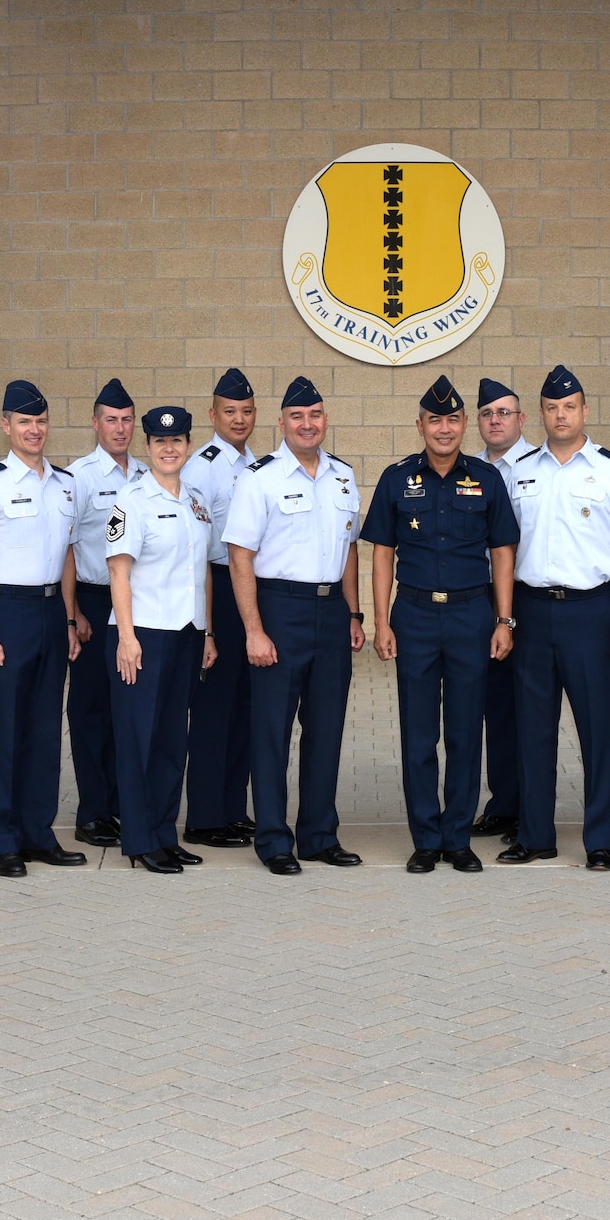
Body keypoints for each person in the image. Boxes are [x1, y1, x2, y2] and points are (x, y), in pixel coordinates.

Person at [497, 365, 610, 871]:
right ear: (538, 414)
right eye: (551, 408)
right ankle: (535, 835)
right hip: (533, 613)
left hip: (592, 613)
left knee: (598, 731)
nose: (560, 415)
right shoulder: (520, 472)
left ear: (585, 412)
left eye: (570, 407)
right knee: (532, 731)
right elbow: (504, 549)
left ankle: (600, 840)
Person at [363, 376, 519, 873]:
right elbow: (382, 553)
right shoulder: (396, 478)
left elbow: (503, 553)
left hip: (473, 615)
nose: (445, 429)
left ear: (465, 425)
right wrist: (381, 620)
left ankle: (458, 838)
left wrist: (503, 619)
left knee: (465, 731)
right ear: (421, 426)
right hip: (413, 615)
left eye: (453, 420)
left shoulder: (487, 480)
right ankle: (426, 838)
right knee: (418, 731)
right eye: (435, 420)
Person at [223, 375, 366, 875]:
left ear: (325, 420)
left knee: (326, 730)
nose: (308, 424)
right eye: (298, 417)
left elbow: (349, 551)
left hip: (330, 614)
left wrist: (353, 612)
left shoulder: (344, 477)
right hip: (279, 609)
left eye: (316, 415)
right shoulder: (258, 478)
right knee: (271, 731)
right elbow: (240, 556)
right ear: (282, 423)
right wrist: (254, 629)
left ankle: (319, 835)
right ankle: (273, 840)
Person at [0, 379, 88, 878]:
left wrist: (71, 620)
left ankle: (38, 832)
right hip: (6, 612)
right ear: (6, 426)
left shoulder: (65, 484)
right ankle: (4, 838)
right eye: (25, 422)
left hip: (52, 613)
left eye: (41, 421)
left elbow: (68, 556)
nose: (35, 430)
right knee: (7, 731)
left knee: (45, 729)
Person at [106, 406, 218, 874]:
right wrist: (127, 638)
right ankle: (138, 838)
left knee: (173, 740)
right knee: (139, 740)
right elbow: (118, 571)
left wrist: (208, 631)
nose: (169, 449)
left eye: (177, 442)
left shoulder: (195, 501)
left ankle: (164, 833)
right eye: (159, 442)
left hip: (187, 634)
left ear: (188, 446)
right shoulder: (132, 500)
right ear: (147, 447)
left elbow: (205, 572)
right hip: (145, 635)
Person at [179, 368, 259, 849]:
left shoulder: (254, 462)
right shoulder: (201, 467)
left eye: (247, 411)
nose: (239, 419)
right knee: (213, 709)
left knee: (243, 708)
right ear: (213, 415)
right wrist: (207, 624)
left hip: (246, 588)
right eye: (230, 412)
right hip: (216, 589)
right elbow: (196, 547)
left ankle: (233, 809)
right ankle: (205, 817)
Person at [66, 378, 144, 848]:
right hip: (94, 602)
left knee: (127, 709)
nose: (120, 428)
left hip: (135, 605)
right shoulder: (78, 477)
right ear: (95, 424)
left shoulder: (145, 474)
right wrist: (73, 613)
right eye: (111, 420)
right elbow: (66, 549)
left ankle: (121, 805)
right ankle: (92, 811)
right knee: (92, 711)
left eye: (127, 420)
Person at [470, 376, 528, 843]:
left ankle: (530, 807)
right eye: (488, 414)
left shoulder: (541, 464)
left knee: (530, 707)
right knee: (496, 707)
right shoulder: (471, 471)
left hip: (528, 599)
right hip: (482, 597)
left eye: (504, 413)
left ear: (521, 419)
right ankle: (503, 802)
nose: (495, 421)